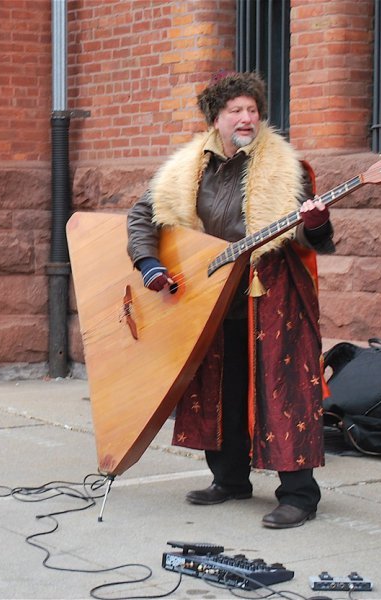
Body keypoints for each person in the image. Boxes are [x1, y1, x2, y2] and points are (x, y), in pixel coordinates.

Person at [126, 71, 335, 529]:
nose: (246, 118)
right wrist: (150, 265)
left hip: (272, 291)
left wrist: (316, 223)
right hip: (208, 294)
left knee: (284, 390)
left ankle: (299, 495)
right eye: (236, 110)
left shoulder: (287, 168)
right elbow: (144, 216)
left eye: (253, 110)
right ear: (215, 118)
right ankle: (230, 480)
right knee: (218, 386)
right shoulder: (187, 168)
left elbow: (308, 235)